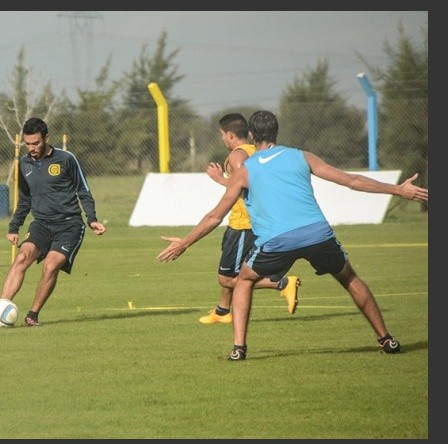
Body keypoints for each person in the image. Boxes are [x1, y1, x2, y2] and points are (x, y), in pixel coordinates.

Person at [157, 110, 428, 361]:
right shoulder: (302, 156)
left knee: (243, 279)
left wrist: (185, 242)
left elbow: (215, 216)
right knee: (349, 277)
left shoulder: (246, 171)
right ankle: (386, 339)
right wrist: (398, 190)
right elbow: (350, 181)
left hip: (277, 241)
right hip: (317, 234)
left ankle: (239, 348)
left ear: (251, 135)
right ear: (276, 132)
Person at [0, 117, 107, 326]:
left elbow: (84, 191)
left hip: (69, 225)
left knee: (51, 266)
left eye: (36, 143)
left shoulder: (67, 159)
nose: (31, 148)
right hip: (41, 223)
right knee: (21, 258)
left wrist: (92, 219)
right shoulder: (24, 164)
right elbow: (25, 199)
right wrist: (14, 226)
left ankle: (32, 315)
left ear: (46, 138)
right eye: (27, 143)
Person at [199, 113, 300, 325]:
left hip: (243, 224)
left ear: (230, 134)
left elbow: (244, 186)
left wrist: (219, 179)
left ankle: (281, 284)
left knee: (227, 276)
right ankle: (222, 310)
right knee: (231, 268)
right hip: (251, 222)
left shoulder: (237, 156)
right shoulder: (255, 150)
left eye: (222, 135)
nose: (222, 139)